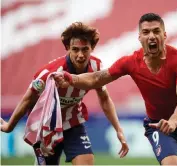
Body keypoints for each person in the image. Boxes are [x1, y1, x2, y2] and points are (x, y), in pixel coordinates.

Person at [54, 13, 177, 165]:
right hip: (158, 126)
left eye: (156, 31)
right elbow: (96, 78)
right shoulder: (130, 62)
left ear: (164, 35)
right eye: (146, 32)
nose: (151, 36)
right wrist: (72, 78)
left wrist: (173, 122)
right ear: (139, 37)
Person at [0, 22, 129, 165]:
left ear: (92, 48)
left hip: (73, 123)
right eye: (75, 49)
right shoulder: (50, 73)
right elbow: (27, 100)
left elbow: (104, 98)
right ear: (68, 48)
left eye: (85, 49)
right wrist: (9, 126)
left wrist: (118, 129)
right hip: (47, 127)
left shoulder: (96, 67)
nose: (80, 55)